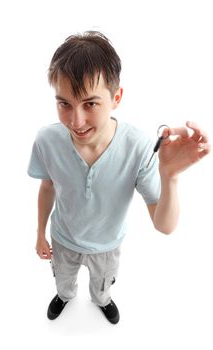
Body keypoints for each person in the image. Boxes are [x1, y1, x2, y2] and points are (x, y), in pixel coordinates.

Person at [27, 31, 210, 325]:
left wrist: (169, 176)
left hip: (107, 246)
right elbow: (47, 186)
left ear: (116, 98)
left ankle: (102, 299)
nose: (76, 122)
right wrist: (39, 233)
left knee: (102, 287)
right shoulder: (46, 140)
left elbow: (164, 226)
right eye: (64, 104)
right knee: (63, 280)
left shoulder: (138, 147)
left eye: (90, 104)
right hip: (63, 239)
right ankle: (65, 295)